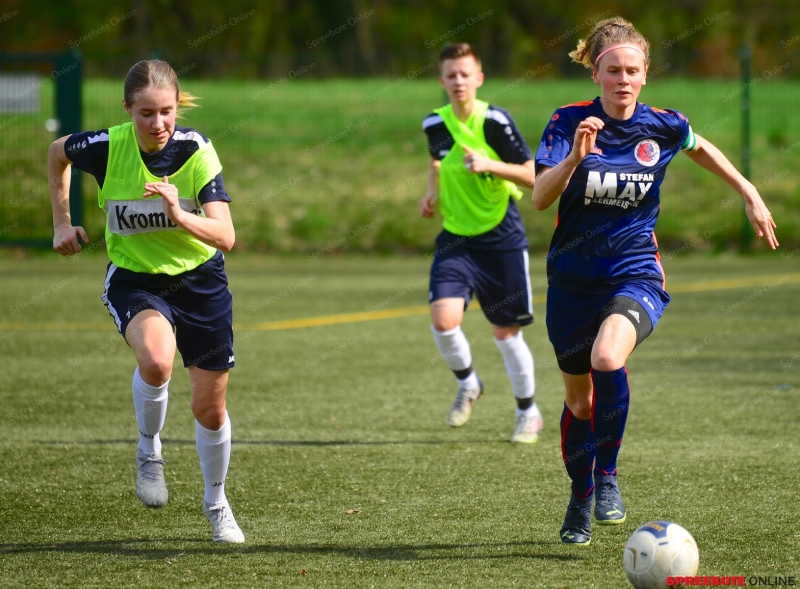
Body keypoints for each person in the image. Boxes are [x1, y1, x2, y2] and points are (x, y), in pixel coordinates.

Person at [532, 17, 778, 545]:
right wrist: (575, 157)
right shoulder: (568, 121)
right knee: (580, 404)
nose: (623, 79)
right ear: (596, 74)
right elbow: (540, 197)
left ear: (645, 74)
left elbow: (699, 145)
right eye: (613, 70)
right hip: (572, 281)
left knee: (607, 357)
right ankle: (580, 497)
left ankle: (607, 477)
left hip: (635, 271)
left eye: (633, 70)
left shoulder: (663, 125)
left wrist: (749, 191)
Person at [47, 60, 245, 543]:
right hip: (136, 281)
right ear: (127, 109)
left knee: (209, 408)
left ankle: (216, 502)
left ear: (178, 107)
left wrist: (179, 214)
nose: (159, 124)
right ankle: (149, 449)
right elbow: (57, 153)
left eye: (167, 112)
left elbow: (225, 236)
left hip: (201, 283)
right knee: (157, 362)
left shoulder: (195, 150)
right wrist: (61, 221)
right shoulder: (105, 146)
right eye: (146, 113)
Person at [419, 43, 542, 443]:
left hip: (501, 238)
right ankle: (469, 383)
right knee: (443, 321)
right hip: (456, 239)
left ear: (479, 78)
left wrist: (489, 165)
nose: (458, 81)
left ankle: (528, 412)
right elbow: (437, 161)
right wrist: (431, 193)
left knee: (505, 333)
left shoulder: (495, 121)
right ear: (442, 82)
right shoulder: (434, 123)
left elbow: (533, 175)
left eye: (465, 74)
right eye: (451, 75)